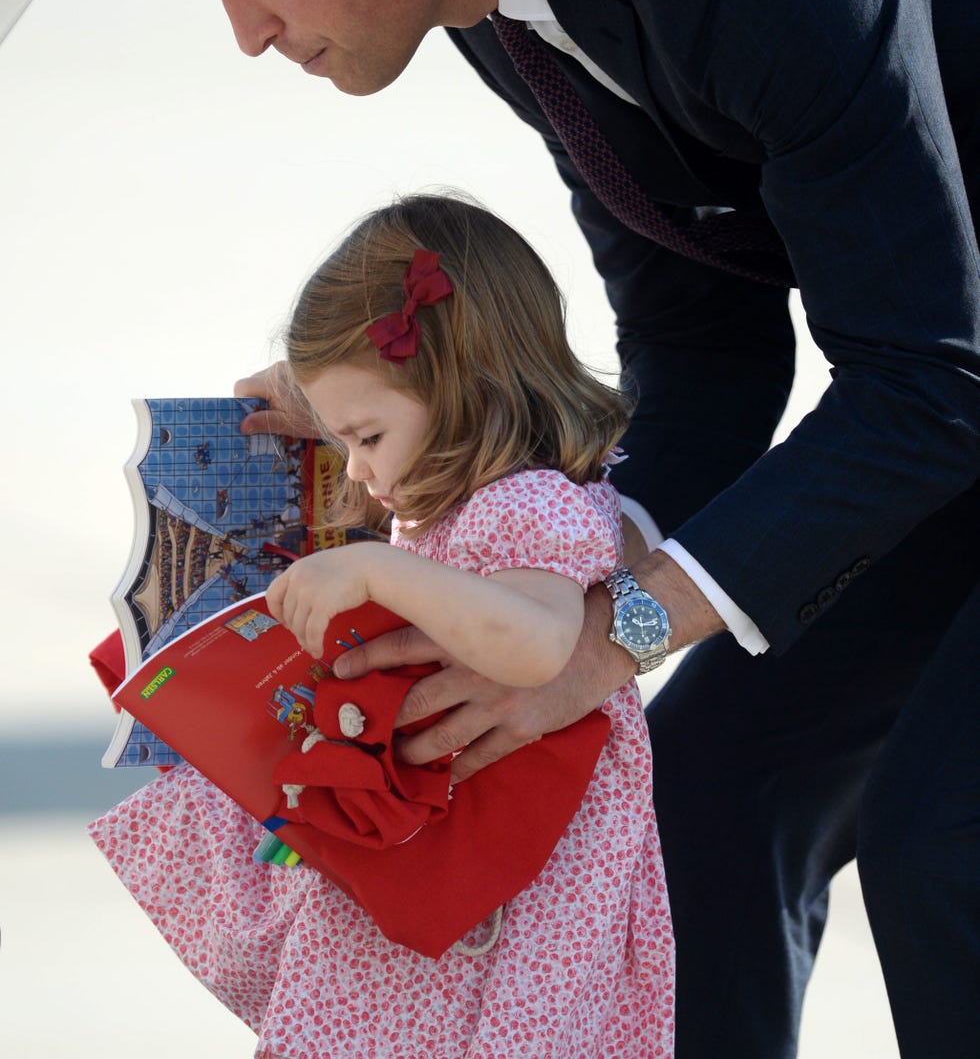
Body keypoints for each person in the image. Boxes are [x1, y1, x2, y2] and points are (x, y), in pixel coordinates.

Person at [145, 0, 980, 1059]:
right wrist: (540, 578)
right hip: (953, 376)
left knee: (946, 837)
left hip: (951, 379)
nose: (246, 32)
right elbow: (703, 342)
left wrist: (616, 633)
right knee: (706, 794)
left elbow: (931, 382)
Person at [89, 193, 675, 1059]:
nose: (358, 466)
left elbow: (541, 642)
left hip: (518, 899)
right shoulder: (464, 500)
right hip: (447, 867)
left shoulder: (536, 503)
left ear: (461, 388)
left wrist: (381, 568)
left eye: (366, 435)